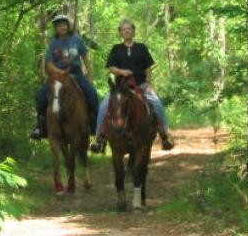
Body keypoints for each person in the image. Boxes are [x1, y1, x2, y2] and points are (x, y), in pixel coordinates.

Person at [91, 18, 175, 153]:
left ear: (134, 31)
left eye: (129, 29)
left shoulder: (141, 48)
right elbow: (111, 67)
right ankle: (99, 138)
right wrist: (122, 72)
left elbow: (148, 68)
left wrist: (148, 83)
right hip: (120, 88)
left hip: (140, 85)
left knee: (157, 104)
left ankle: (165, 135)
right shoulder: (116, 49)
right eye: (124, 29)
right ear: (120, 33)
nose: (127, 31)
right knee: (104, 106)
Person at [29, 14, 100, 141]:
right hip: (58, 74)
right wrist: (59, 72)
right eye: (59, 25)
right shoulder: (53, 43)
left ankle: (95, 127)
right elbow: (49, 63)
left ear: (68, 25)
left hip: (76, 73)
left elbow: (85, 58)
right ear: (56, 28)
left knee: (93, 95)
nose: (62, 27)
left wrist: (89, 75)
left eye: (64, 24)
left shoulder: (76, 39)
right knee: (40, 96)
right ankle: (40, 127)